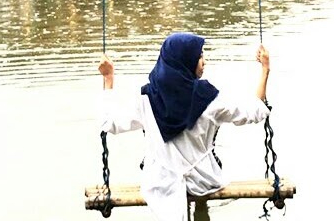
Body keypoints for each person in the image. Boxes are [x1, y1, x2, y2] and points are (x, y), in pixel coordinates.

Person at [98, 34, 271, 221]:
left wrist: (108, 78)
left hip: (161, 184)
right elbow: (255, 111)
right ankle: (201, 209)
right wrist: (265, 69)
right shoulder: (210, 100)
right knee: (202, 189)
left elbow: (109, 122)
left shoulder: (147, 99)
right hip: (202, 180)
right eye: (199, 56)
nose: (204, 61)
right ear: (186, 61)